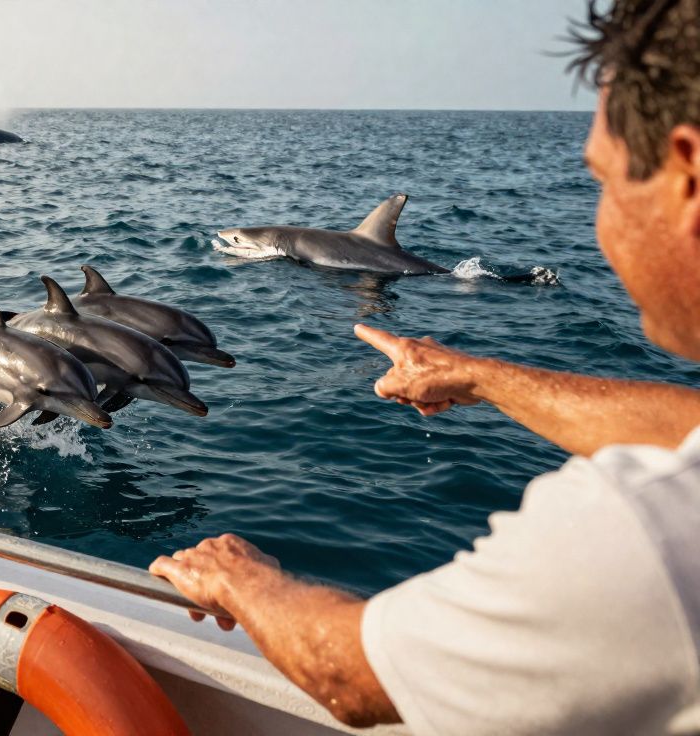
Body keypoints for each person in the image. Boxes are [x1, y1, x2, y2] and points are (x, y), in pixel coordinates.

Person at [151, 1, 700, 732]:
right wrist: (480, 376)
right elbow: (686, 427)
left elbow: (353, 680)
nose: (597, 217)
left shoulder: (646, 535)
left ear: (687, 175)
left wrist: (241, 580)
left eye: (601, 179)